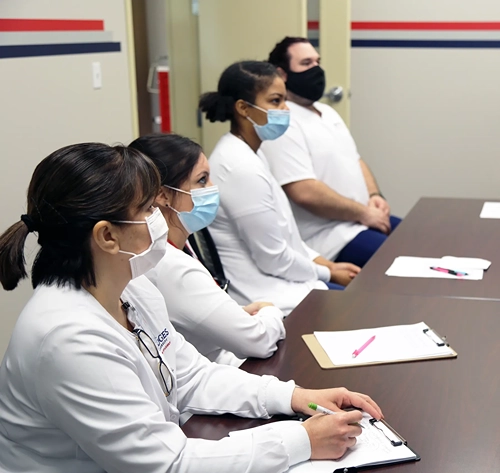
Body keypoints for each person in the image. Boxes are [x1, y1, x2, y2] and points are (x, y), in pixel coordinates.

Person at [0, 142, 382, 472]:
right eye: (148, 208)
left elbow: (193, 376)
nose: (160, 218)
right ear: (107, 236)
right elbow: (167, 464)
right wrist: (300, 441)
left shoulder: (133, 290)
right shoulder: (67, 340)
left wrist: (295, 396)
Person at [199, 61, 360, 315]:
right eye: (275, 101)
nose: (285, 110)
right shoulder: (239, 167)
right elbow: (273, 257)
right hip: (270, 299)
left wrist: (329, 266)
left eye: (284, 100)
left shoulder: (251, 153)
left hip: (286, 285)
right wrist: (328, 272)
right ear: (243, 108)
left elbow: (288, 237)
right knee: (360, 308)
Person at [129, 133, 285, 368]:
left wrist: (236, 314)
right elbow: (258, 341)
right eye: (202, 180)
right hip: (216, 377)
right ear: (163, 195)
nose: (213, 189)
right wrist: (270, 311)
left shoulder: (178, 246)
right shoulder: (170, 265)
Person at [263, 37, 401, 268]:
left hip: (361, 220)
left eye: (318, 61)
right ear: (282, 73)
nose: (316, 69)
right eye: (306, 63)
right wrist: (364, 214)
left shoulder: (327, 112)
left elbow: (355, 159)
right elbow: (304, 192)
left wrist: (375, 196)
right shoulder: (282, 122)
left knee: (418, 237)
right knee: (400, 257)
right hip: (329, 238)